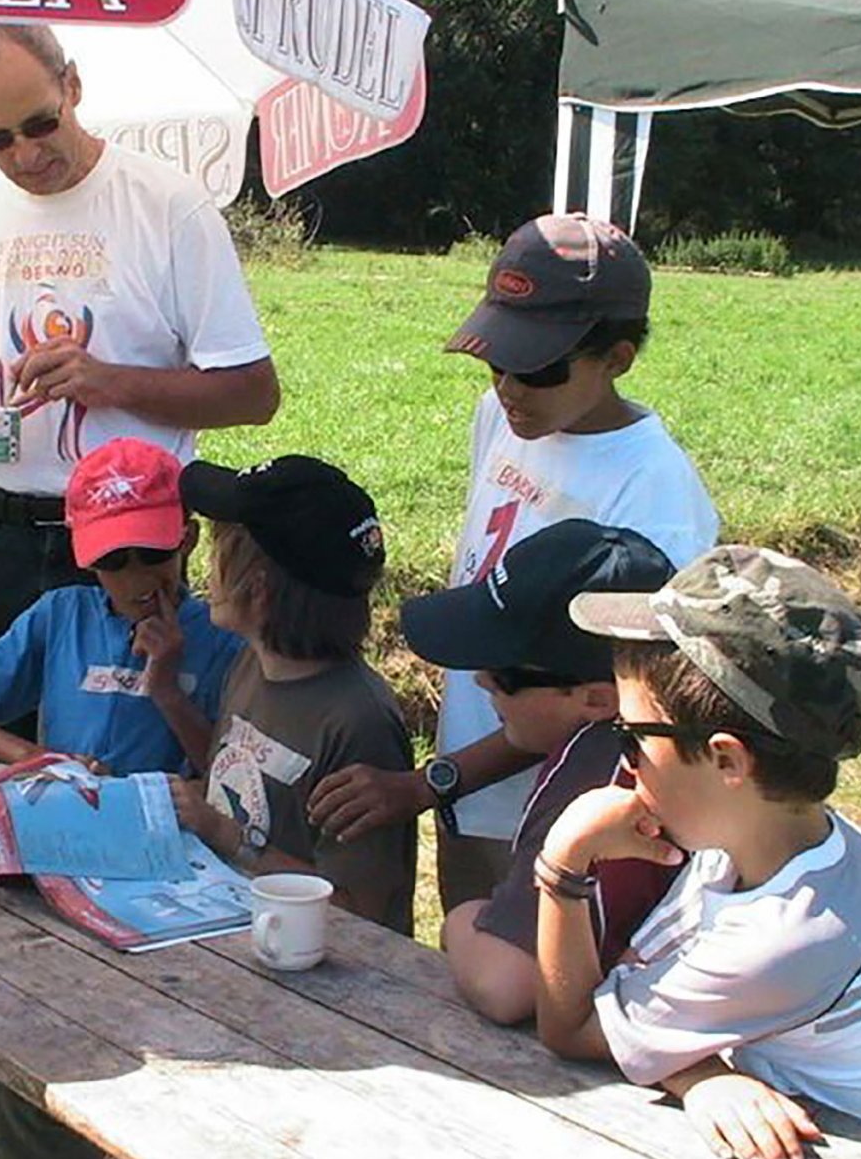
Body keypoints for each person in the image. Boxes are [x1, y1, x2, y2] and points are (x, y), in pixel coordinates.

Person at [307, 213, 719, 913]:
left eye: (539, 367)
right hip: (470, 786)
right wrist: (450, 780)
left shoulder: (656, 497)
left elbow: (607, 698)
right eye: (497, 360)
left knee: (525, 968)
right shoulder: (500, 418)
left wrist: (432, 781)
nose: (510, 387)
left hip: (562, 811)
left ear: (617, 357)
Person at [535, 545, 861, 1159]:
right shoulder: (792, 842)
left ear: (727, 759)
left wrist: (563, 864)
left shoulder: (786, 936)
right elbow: (629, 984)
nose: (626, 763)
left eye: (631, 737)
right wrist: (695, 1071)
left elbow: (570, 1028)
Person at [0, 21, 280, 692]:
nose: (25, 154)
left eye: (40, 124)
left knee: (121, 739)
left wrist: (109, 382)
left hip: (128, 534)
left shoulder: (168, 205)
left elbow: (253, 393)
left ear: (72, 86)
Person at [393, 520, 677, 1025]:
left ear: (597, 700)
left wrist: (460, 919)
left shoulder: (594, 769)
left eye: (506, 675)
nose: (482, 681)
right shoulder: (672, 741)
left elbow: (504, 984)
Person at [169, 455, 417, 934]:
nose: (206, 569)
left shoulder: (357, 723)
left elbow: (361, 911)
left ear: (259, 589)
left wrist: (227, 835)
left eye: (220, 551)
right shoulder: (251, 663)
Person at [0, 436, 243, 774]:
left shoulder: (223, 639)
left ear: (187, 540)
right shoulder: (62, 617)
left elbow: (234, 775)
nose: (136, 578)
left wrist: (169, 694)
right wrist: (36, 759)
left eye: (153, 554)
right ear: (85, 556)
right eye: (112, 560)